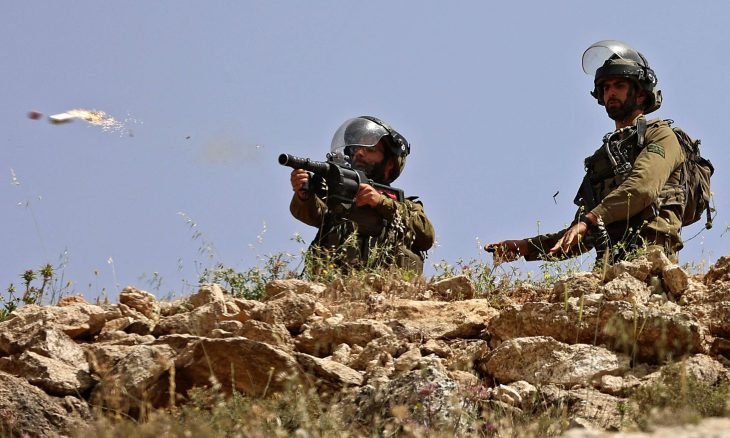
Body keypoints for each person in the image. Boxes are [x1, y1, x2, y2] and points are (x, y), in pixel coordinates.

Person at [487, 40, 685, 265]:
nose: (611, 92)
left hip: (652, 260)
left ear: (640, 95)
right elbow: (580, 234)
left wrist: (591, 219)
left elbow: (642, 188)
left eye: (619, 85)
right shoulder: (604, 158)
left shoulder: (661, 135)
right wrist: (525, 247)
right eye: (606, 88)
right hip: (610, 268)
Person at [289, 116, 435, 274]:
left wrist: (380, 202)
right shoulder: (342, 199)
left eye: (370, 150)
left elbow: (426, 236)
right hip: (334, 285)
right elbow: (317, 214)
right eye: (355, 149)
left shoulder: (406, 206)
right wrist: (304, 196)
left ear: (389, 164)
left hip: (387, 286)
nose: (359, 153)